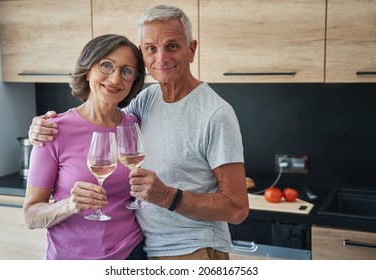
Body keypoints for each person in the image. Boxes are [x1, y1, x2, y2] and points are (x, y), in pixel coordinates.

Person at [28, 5, 249, 260]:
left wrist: (167, 196)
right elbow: (103, 113)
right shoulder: (146, 101)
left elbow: (237, 209)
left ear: (192, 49)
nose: (161, 58)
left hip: (191, 250)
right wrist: (40, 126)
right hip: (145, 251)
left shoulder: (216, 113)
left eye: (173, 46)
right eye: (151, 48)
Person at [23, 34, 147, 260]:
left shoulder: (135, 126)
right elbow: (30, 215)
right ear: (88, 69)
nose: (115, 78)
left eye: (127, 71)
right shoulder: (52, 130)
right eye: (106, 65)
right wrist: (70, 205)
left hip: (131, 255)